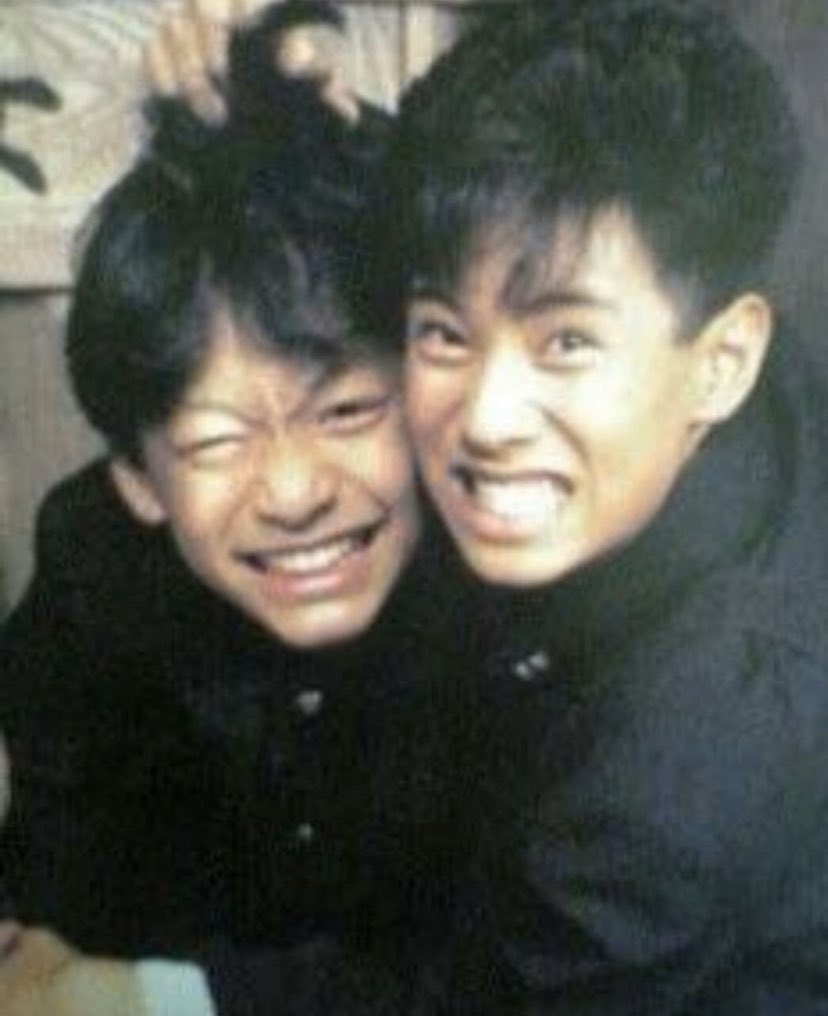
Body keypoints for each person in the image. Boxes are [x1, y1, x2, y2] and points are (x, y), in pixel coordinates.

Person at [0, 6, 475, 1015]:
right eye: (217, 440)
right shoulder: (94, 567)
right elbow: (62, 906)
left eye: (348, 410)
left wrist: (152, 998)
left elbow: (528, 972)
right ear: (138, 476)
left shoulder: (515, 590)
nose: (295, 492)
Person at [377, 0, 828, 1010]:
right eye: (443, 331)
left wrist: (154, 994)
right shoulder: (732, 382)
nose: (486, 418)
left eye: (566, 343)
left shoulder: (683, 762)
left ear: (723, 359)